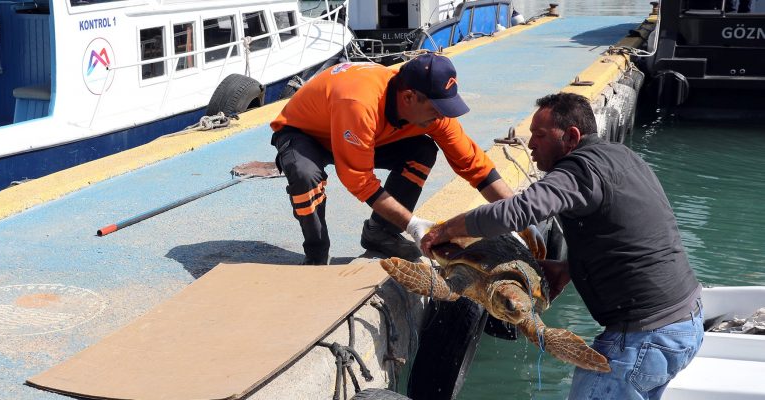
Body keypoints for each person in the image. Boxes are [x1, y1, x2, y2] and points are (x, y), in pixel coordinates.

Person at [421, 92, 704, 399]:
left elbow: (516, 211)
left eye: (540, 136)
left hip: (642, 337)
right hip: (685, 322)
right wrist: (572, 268)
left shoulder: (578, 170)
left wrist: (445, 229)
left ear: (571, 137)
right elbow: (633, 235)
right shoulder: (622, 157)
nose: (531, 146)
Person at [270, 54, 540, 265]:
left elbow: (472, 164)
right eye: (436, 110)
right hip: (305, 133)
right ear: (409, 98)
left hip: (362, 135)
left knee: (421, 151)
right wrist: (412, 224)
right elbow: (358, 179)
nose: (441, 117)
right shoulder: (360, 103)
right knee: (305, 174)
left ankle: (381, 231)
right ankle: (316, 252)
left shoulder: (429, 113)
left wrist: (518, 215)